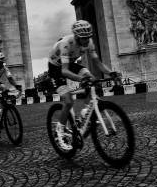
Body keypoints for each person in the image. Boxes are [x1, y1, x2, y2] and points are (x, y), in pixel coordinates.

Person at [47, 20, 119, 151]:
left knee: (92, 79)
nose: (86, 41)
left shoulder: (89, 43)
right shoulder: (66, 44)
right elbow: (64, 71)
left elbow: (98, 64)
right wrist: (81, 79)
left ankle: (86, 112)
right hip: (56, 69)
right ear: (76, 37)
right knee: (68, 101)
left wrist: (111, 73)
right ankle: (60, 131)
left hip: (70, 64)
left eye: (88, 38)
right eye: (83, 39)